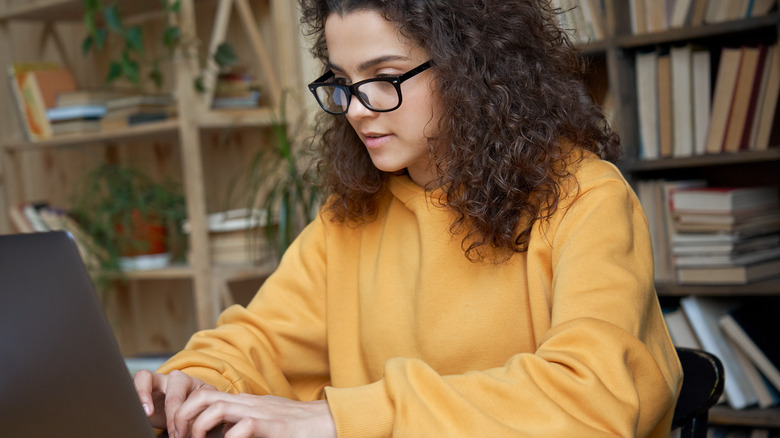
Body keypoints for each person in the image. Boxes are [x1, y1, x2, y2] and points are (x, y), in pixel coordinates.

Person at [134, 0, 683, 436]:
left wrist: (341, 420)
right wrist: (190, 386)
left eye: (385, 77)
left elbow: (594, 402)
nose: (355, 106)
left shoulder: (587, 199)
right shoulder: (350, 217)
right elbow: (258, 343)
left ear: (475, 68)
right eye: (342, 81)